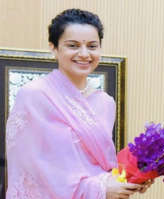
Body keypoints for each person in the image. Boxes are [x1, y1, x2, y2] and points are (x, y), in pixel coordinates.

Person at [6, 8, 152, 199]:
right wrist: (98, 189)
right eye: (73, 45)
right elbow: (33, 170)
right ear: (53, 48)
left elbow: (100, 167)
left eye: (92, 46)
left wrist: (129, 180)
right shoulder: (34, 96)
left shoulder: (105, 103)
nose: (84, 54)